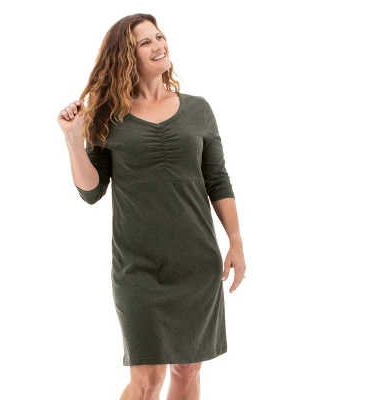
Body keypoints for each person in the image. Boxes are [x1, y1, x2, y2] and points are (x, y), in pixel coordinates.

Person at [57, 12, 246, 400]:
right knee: (147, 380)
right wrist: (73, 138)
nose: (159, 45)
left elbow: (217, 180)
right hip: (137, 267)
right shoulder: (106, 117)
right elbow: (91, 191)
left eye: (159, 36)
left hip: (196, 262)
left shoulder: (198, 110)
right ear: (127, 56)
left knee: (187, 369)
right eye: (145, 42)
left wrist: (236, 242)